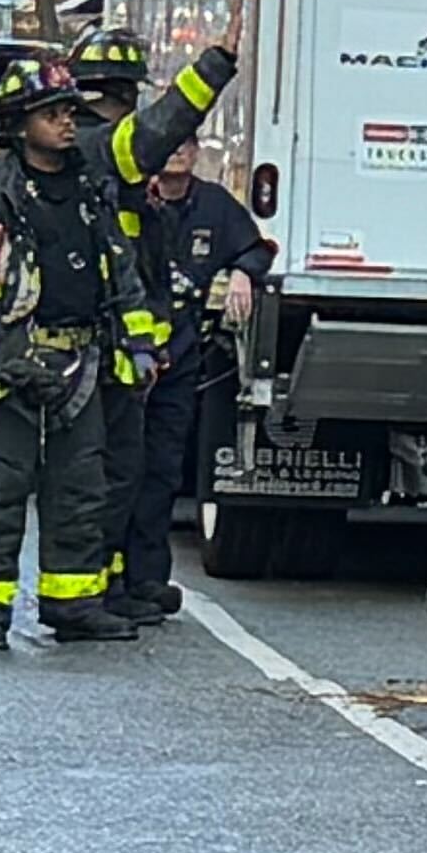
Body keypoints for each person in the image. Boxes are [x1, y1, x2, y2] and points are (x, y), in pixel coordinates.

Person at [0, 46, 217, 648]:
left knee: (81, 490)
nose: (69, 120)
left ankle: (73, 603)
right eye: (53, 111)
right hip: (12, 363)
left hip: (82, 362)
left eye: (70, 109)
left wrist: (138, 346)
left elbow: (123, 271)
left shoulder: (91, 184)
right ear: (19, 123)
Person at [108, 130, 266, 625]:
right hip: (125, 363)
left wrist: (243, 271)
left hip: (179, 361)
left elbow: (257, 247)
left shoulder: (215, 206)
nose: (177, 151)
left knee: (161, 472)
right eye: (169, 143)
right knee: (116, 472)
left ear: (198, 153)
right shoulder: (128, 201)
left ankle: (148, 580)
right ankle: (105, 579)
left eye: (187, 144)